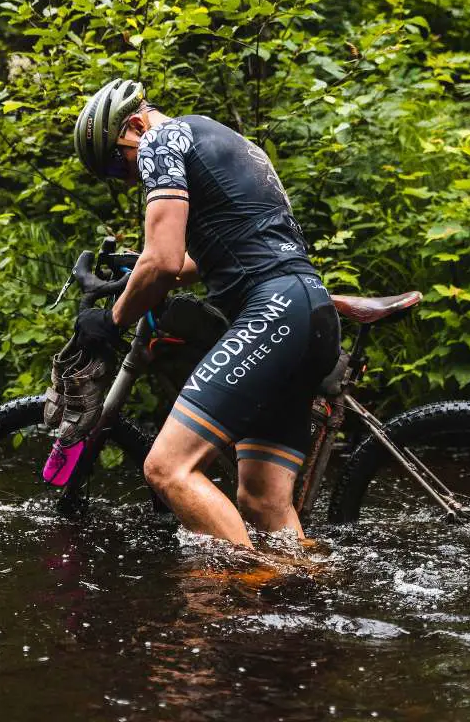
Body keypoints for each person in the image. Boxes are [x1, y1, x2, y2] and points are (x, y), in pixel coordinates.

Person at [71, 78, 341, 548]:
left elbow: (164, 261)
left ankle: (247, 587)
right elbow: (209, 257)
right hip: (310, 311)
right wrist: (132, 281)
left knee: (168, 468)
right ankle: (305, 602)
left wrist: (111, 321)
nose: (128, 178)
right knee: (264, 501)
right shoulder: (218, 137)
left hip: (273, 311)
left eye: (118, 163)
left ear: (135, 124)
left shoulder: (159, 140)